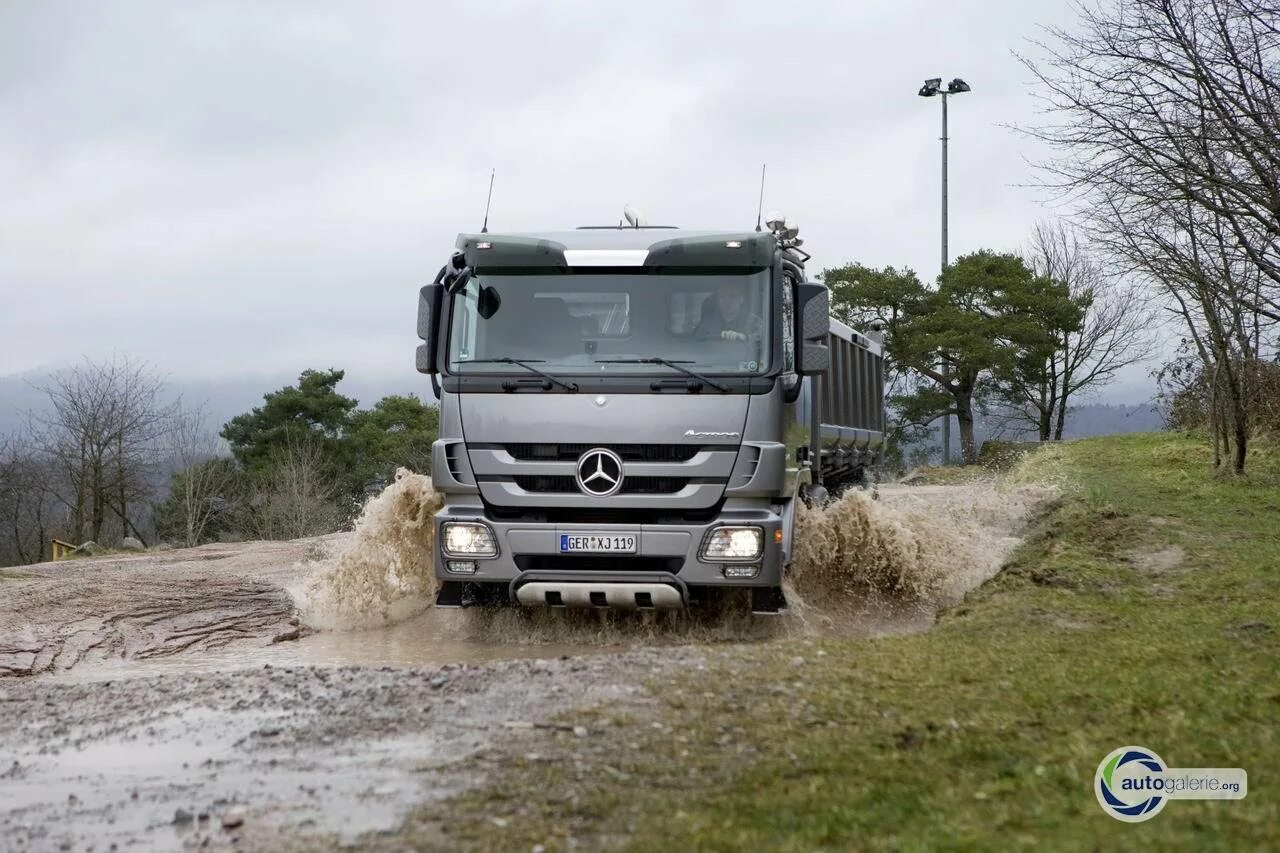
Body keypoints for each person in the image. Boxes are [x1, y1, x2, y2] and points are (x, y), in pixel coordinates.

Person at [693, 280, 763, 342]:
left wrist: (744, 338)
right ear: (717, 300)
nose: (727, 302)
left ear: (741, 299)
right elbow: (695, 343)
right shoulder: (706, 323)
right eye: (722, 297)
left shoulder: (753, 321)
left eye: (732, 296)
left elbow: (764, 341)